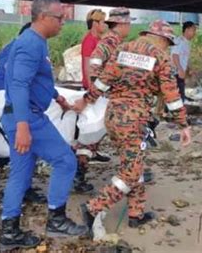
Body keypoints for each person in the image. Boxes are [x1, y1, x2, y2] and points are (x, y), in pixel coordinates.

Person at [74, 20, 191, 235]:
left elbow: (103, 81)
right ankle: (94, 208)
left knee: (133, 163)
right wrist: (183, 124)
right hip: (133, 118)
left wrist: (87, 99)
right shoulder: (160, 56)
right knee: (131, 171)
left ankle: (136, 214)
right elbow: (171, 95)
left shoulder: (122, 48)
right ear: (163, 39)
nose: (168, 47)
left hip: (113, 114)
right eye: (168, 43)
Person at [0, 0, 87, 252]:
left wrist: (57, 97)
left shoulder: (36, 41)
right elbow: (18, 84)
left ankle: (9, 231)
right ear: (43, 17)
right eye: (60, 18)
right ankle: (56, 220)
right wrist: (23, 126)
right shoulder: (31, 44)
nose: (63, 23)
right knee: (66, 161)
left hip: (21, 115)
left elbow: (37, 80)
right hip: (28, 118)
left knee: (21, 173)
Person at [75, 8, 134, 192]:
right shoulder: (110, 43)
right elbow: (93, 68)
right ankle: (80, 174)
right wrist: (93, 93)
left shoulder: (113, 41)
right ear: (122, 24)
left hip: (103, 96)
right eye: (129, 24)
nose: (130, 27)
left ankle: (132, 172)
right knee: (92, 136)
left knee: (94, 136)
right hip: (104, 97)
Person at [0, 22, 47, 204]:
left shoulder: (28, 48)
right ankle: (17, 199)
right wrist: (15, 99)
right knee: (21, 155)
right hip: (17, 111)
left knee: (28, 152)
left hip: (27, 109)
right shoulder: (17, 49)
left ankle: (25, 189)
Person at [171, 21, 197, 101]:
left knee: (179, 93)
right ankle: (176, 111)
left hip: (179, 71)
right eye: (193, 30)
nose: (195, 33)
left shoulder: (187, 42)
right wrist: (180, 69)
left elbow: (185, 57)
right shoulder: (179, 41)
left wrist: (190, 68)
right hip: (175, 72)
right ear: (187, 30)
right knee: (177, 95)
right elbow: (174, 55)